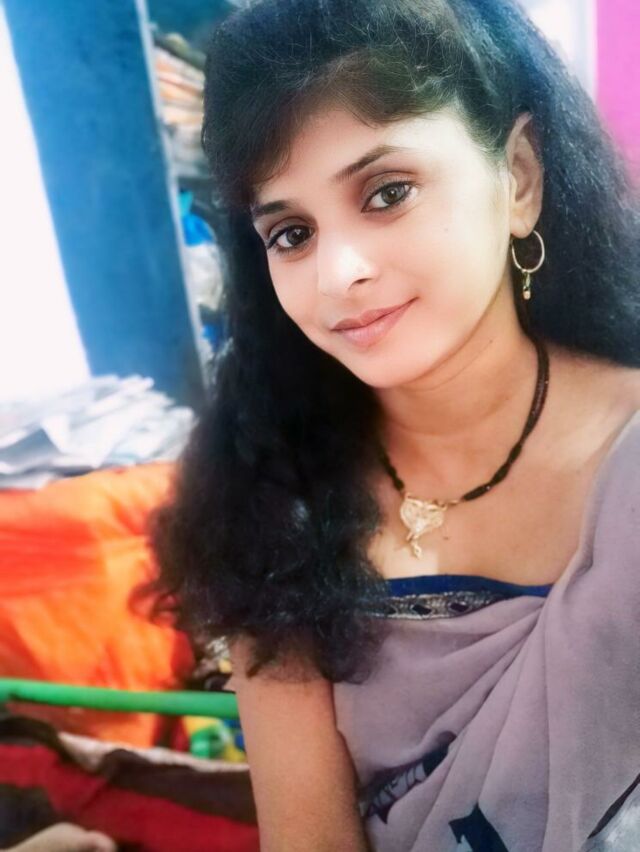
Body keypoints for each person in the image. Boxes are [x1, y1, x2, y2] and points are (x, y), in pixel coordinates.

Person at [148, 0, 640, 849]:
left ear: (519, 178)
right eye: (291, 233)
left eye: (387, 192)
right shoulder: (277, 502)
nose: (337, 273)